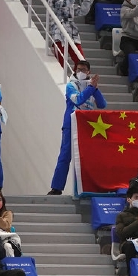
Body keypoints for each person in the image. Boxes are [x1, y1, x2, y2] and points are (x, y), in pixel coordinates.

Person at [48, 61, 106, 196]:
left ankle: (87, 187)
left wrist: (95, 89)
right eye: (78, 69)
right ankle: (56, 188)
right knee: (65, 156)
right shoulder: (71, 85)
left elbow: (102, 104)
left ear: (88, 72)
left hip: (86, 126)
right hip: (71, 124)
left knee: (87, 158)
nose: (80, 72)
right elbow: (78, 100)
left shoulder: (90, 86)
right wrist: (91, 88)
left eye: (83, 70)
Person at [45, 0, 93, 69]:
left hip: (73, 34)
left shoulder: (69, 0)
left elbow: (82, 11)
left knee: (81, 61)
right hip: (59, 33)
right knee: (60, 63)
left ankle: (75, 77)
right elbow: (63, 4)